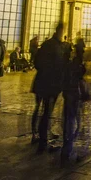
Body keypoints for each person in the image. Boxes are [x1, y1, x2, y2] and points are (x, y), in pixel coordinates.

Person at [32, 23, 65, 152]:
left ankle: (40, 136)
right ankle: (43, 139)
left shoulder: (48, 45)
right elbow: (59, 65)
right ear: (60, 31)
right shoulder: (55, 46)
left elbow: (37, 62)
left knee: (44, 110)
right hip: (50, 83)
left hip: (43, 81)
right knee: (46, 111)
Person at [61, 47, 86, 165]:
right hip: (75, 94)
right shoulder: (78, 67)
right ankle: (70, 148)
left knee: (68, 120)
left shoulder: (68, 66)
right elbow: (81, 76)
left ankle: (67, 147)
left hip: (68, 94)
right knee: (75, 121)